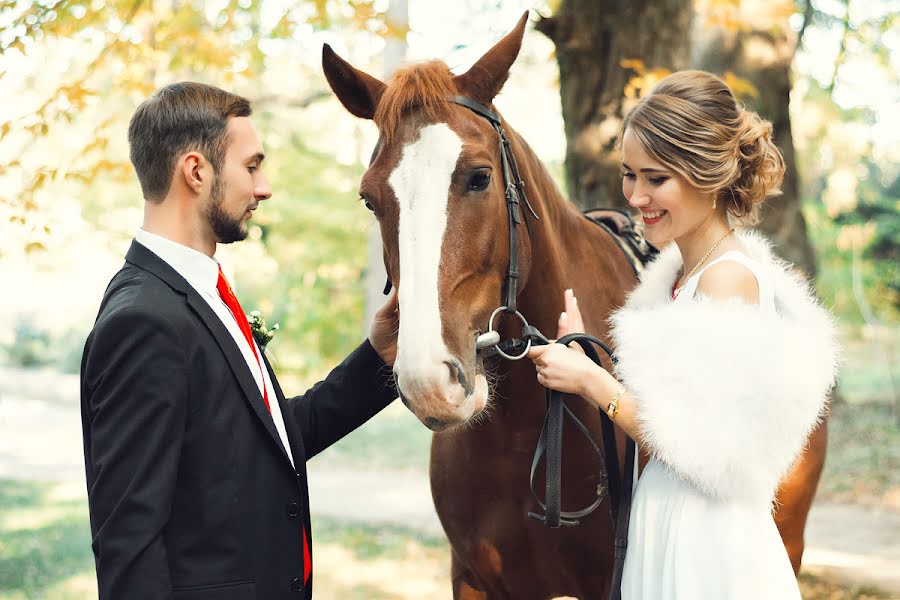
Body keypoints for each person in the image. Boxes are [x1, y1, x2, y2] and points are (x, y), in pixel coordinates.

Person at [80, 82, 400, 600]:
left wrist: (378, 357)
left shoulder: (199, 292)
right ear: (196, 171)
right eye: (252, 166)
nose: (265, 186)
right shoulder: (143, 321)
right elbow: (128, 542)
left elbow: (270, 442)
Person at [527, 71, 839, 599]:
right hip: (670, 516)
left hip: (706, 539)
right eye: (629, 175)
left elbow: (702, 446)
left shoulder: (727, 279)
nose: (636, 196)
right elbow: (676, 400)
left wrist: (593, 384)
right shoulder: (680, 277)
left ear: (707, 176)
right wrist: (587, 353)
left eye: (656, 178)